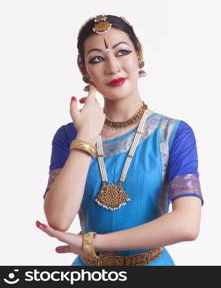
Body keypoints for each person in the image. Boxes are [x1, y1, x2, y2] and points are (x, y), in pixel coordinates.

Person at [37, 14, 204, 266]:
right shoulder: (69, 136)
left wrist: (94, 243)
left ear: (139, 54)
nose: (113, 66)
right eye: (97, 58)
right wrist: (86, 137)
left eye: (122, 52)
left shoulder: (173, 134)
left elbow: (188, 224)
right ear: (84, 69)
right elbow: (58, 219)